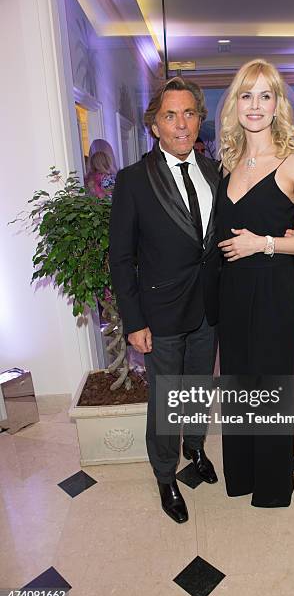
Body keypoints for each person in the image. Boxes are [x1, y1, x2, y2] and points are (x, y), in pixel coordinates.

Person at [217, 59, 294, 507]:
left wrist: (266, 244)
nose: (255, 105)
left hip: (273, 292)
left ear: (278, 104)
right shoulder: (227, 161)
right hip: (232, 293)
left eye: (265, 95)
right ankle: (241, 475)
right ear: (235, 104)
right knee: (239, 384)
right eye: (247, 95)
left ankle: (271, 487)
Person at [109, 77, 221, 524]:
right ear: (155, 125)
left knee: (197, 388)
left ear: (200, 120)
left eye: (190, 113)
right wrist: (133, 321)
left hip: (208, 308)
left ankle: (194, 447)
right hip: (160, 313)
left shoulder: (215, 172)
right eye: (170, 115)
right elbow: (121, 258)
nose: (181, 124)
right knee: (166, 398)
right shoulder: (133, 180)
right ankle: (164, 475)